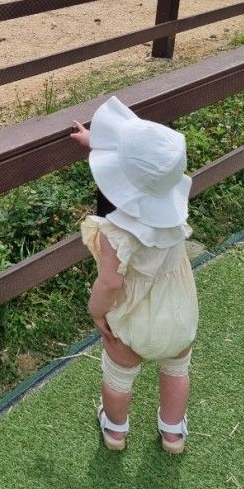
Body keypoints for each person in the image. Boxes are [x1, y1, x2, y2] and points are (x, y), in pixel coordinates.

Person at [70, 96, 198, 454]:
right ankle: (172, 433)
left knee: (118, 378)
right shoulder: (175, 211)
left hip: (132, 323)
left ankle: (115, 431)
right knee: (176, 372)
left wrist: (97, 311)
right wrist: (95, 143)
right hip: (179, 315)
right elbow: (147, 172)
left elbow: (110, 282)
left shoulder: (118, 234)